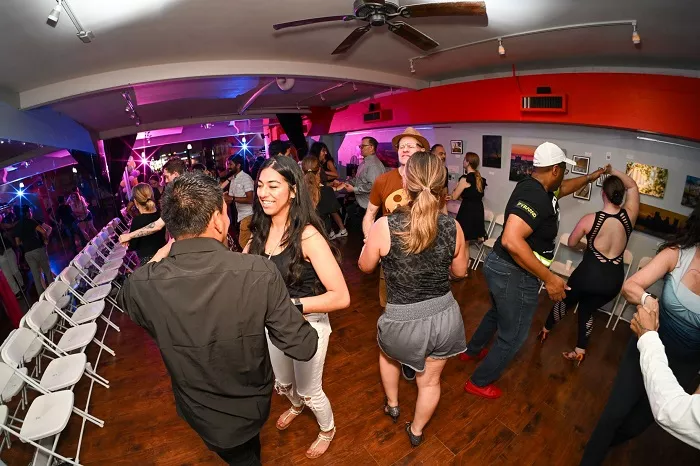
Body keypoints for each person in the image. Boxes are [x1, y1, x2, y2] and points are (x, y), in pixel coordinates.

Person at [118, 172, 318, 466]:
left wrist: (163, 252)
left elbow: (126, 295)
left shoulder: (142, 285)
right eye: (224, 211)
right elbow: (304, 345)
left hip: (199, 413)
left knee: (242, 454)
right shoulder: (258, 271)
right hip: (251, 405)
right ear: (217, 220)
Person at [462, 142, 607, 399]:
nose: (564, 175)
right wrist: (550, 279)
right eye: (563, 170)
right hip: (514, 273)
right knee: (514, 335)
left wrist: (590, 177)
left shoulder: (540, 188)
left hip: (502, 267)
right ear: (554, 170)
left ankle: (472, 351)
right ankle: (479, 382)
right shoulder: (536, 196)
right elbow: (511, 239)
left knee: (496, 313)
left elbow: (565, 188)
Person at [359, 151, 468, 447]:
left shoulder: (385, 226)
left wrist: (369, 243)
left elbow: (365, 267)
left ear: (406, 183)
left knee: (388, 356)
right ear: (442, 186)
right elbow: (460, 272)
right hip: (445, 318)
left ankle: (393, 405)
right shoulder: (453, 227)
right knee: (430, 382)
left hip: (402, 322)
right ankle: (416, 431)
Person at [245, 155, 350, 459]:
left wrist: (288, 305)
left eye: (273, 185)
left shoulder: (308, 236)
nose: (263, 192)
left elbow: (341, 297)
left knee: (309, 390)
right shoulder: (259, 232)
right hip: (273, 324)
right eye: (260, 185)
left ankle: (327, 429)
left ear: (292, 191)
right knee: (283, 382)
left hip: (308, 324)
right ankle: (295, 406)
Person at [581, 206, 700, 464]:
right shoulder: (678, 254)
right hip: (648, 342)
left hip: (685, 366)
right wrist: (647, 299)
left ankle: (603, 442)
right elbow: (631, 285)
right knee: (614, 414)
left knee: (640, 423)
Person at [538, 167, 639, 364]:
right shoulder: (630, 216)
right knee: (587, 309)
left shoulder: (590, 219)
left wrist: (589, 246)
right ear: (621, 195)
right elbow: (633, 186)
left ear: (603, 194)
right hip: (613, 281)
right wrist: (613, 171)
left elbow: (572, 242)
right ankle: (580, 350)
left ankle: (545, 330)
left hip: (588, 275)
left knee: (565, 302)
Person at [363, 127, 429, 382]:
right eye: (402, 146)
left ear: (421, 151)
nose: (404, 149)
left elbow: (440, 217)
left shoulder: (430, 181)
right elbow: (369, 215)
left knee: (418, 311)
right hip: (391, 262)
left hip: (421, 259)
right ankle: (396, 352)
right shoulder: (383, 180)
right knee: (392, 310)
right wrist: (370, 240)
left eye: (411, 145)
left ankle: (411, 355)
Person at [631, 305, 700, 450]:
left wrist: (647, 337)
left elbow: (672, 411)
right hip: (656, 346)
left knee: (639, 420)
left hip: (683, 361)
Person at [119, 158, 186, 245]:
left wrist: (130, 235)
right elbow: (158, 225)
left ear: (176, 174)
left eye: (167, 176)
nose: (165, 181)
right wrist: (130, 235)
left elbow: (158, 226)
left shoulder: (184, 195)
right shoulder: (178, 193)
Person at [341, 137, 385, 224]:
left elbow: (373, 186)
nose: (360, 148)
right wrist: (345, 183)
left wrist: (354, 189)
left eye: (363, 146)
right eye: (360, 146)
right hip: (362, 205)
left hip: (370, 207)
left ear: (371, 148)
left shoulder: (374, 165)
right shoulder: (364, 163)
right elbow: (358, 179)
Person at [309, 142, 347, 238]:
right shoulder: (314, 164)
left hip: (324, 191)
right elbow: (319, 182)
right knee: (329, 211)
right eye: (323, 151)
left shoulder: (321, 163)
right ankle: (334, 232)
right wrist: (334, 186)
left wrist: (332, 184)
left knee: (330, 211)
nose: (325, 153)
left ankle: (334, 231)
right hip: (321, 193)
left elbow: (323, 181)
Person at [13, 206, 52, 296]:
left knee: (36, 276)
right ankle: (53, 292)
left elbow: (17, 242)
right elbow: (43, 231)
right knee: (47, 271)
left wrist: (25, 243)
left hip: (28, 253)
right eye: (30, 211)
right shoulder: (30, 221)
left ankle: (42, 296)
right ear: (27, 213)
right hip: (38, 249)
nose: (31, 213)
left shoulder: (17, 225)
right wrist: (45, 240)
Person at [451, 152, 488, 242]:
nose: (463, 161)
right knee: (467, 240)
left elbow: (454, 197)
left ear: (468, 162)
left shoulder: (465, 179)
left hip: (467, 211)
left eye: (464, 159)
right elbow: (472, 196)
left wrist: (455, 187)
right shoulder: (481, 180)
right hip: (478, 211)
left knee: (462, 240)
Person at [302, 156, 343, 235]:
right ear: (319, 170)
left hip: (302, 231)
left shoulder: (295, 191)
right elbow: (333, 209)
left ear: (302, 170)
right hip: (322, 231)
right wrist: (335, 189)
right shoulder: (327, 191)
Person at [127, 183, 167, 264]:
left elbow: (132, 246)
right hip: (165, 256)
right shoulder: (160, 215)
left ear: (135, 201)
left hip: (149, 262)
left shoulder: (137, 221)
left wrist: (128, 241)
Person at [228, 155, 255, 248]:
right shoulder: (233, 179)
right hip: (239, 215)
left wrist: (232, 199)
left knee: (243, 242)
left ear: (238, 165)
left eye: (230, 164)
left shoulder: (246, 178)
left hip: (248, 215)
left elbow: (250, 199)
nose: (228, 167)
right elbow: (230, 198)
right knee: (246, 243)